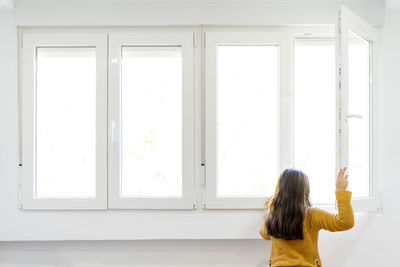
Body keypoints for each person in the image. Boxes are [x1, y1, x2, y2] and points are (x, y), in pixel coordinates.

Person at [259, 167, 354, 267]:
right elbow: (346, 222)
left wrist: (272, 204)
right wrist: (340, 191)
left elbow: (264, 235)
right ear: (304, 191)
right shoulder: (311, 216)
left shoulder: (273, 215)